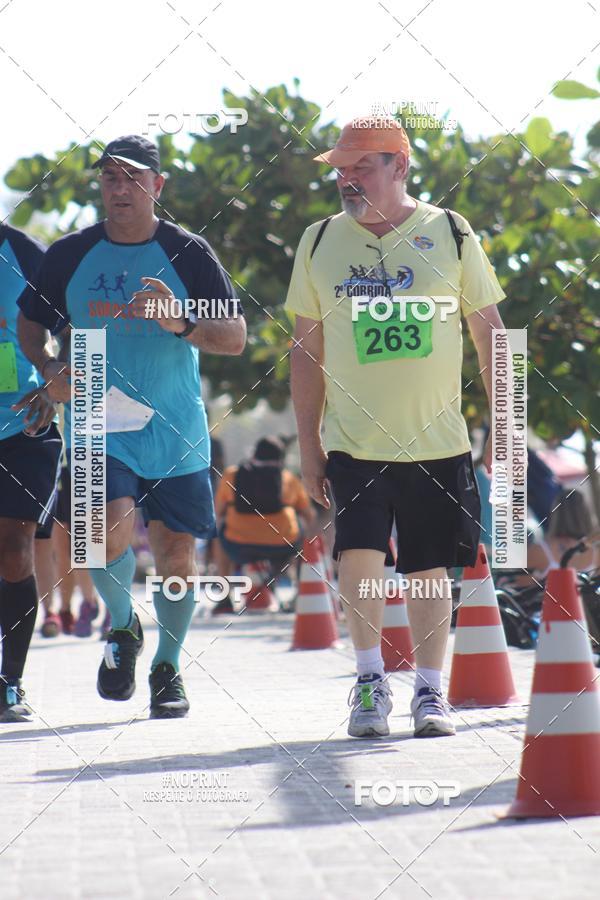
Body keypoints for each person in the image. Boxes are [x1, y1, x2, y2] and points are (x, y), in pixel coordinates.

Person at [285, 117, 506, 738]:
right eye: (341, 168)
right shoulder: (318, 241)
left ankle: (430, 692)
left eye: (362, 166)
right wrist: (309, 445)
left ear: (400, 167)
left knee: (429, 569)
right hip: (353, 441)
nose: (347, 178)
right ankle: (368, 682)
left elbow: (491, 334)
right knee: (359, 557)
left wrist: (506, 427)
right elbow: (305, 350)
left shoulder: (452, 232)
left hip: (438, 441)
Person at [17, 135, 246, 719]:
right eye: (110, 178)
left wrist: (181, 322)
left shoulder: (188, 252)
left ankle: (167, 667)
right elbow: (30, 324)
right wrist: (49, 367)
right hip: (96, 418)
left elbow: (235, 338)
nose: (120, 188)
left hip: (175, 426)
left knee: (176, 554)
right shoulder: (70, 254)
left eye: (133, 178)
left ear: (157, 186)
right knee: (99, 535)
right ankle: (123, 626)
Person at [0, 223, 61, 721]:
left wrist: (54, 381)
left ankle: (10, 683)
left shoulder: (25, 253)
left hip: (24, 425)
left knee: (14, 550)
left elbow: (75, 325)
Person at [213, 436, 315, 613]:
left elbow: (218, 512)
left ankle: (224, 598)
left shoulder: (231, 475)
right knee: (305, 535)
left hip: (238, 545)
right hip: (283, 547)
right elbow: (309, 516)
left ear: (254, 455)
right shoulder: (289, 479)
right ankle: (299, 595)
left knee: (220, 536)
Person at [528, 488, 597, 577]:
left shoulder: (539, 550)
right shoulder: (596, 551)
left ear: (556, 513)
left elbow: (521, 583)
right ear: (587, 514)